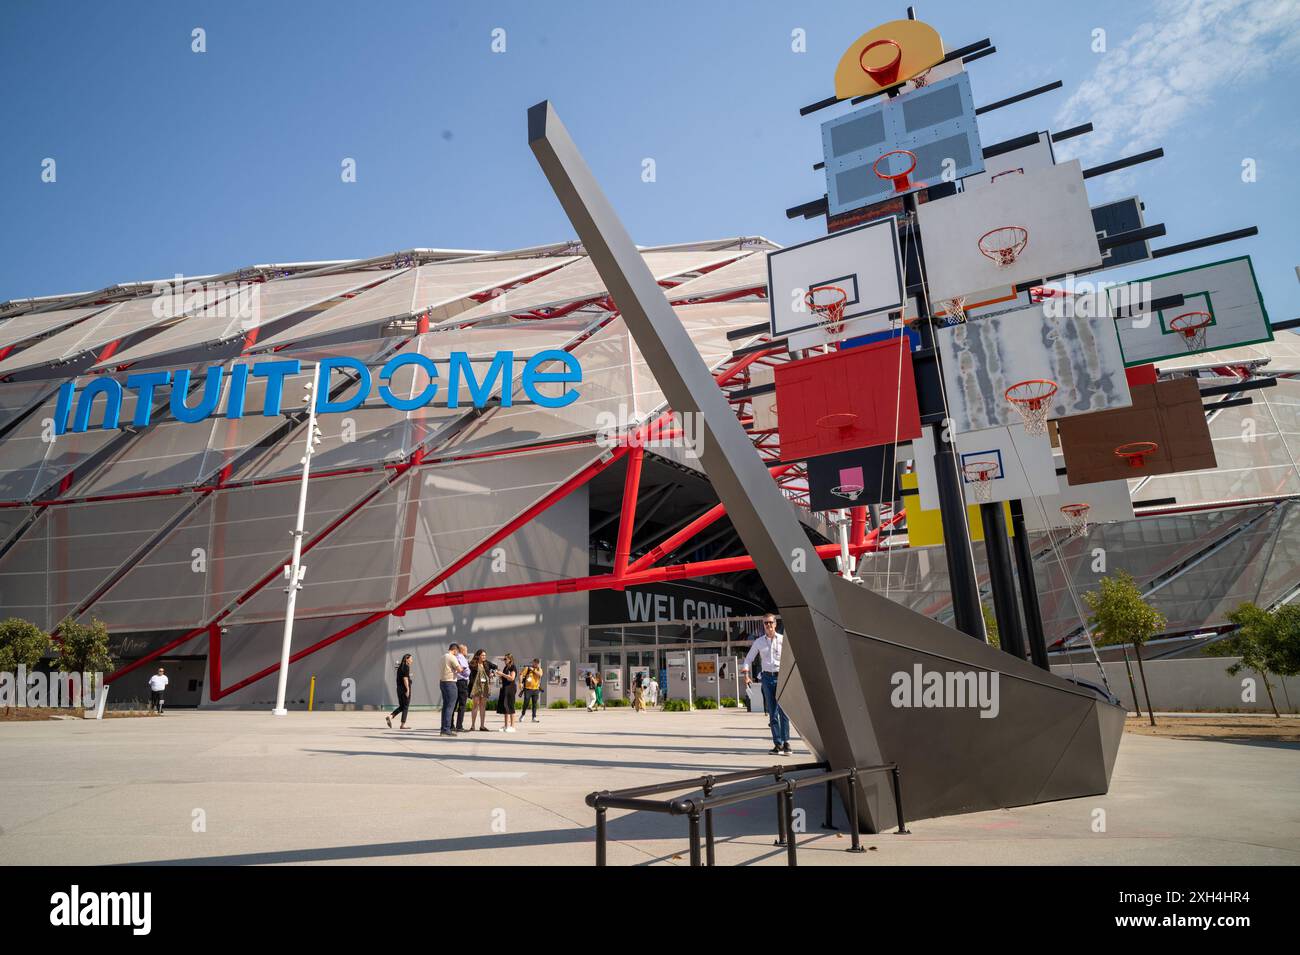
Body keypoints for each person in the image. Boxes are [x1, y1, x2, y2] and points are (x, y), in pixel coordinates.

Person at [744, 614, 790, 755]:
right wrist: (746, 675)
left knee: (784, 712)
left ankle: (786, 742)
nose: (768, 625)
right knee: (772, 711)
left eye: (770, 622)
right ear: (763, 625)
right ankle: (778, 744)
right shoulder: (759, 642)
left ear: (775, 624)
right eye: (765, 623)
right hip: (767, 678)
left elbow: (792, 657)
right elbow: (748, 658)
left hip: (781, 676)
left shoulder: (783, 640)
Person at [467, 650, 497, 731]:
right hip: (476, 686)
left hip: (485, 686)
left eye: (485, 655)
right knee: (475, 705)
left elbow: (496, 667)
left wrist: (493, 674)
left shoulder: (487, 663)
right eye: (483, 655)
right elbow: (468, 670)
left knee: (483, 706)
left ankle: (482, 726)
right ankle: (473, 726)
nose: (484, 657)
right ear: (478, 656)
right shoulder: (473, 663)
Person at [439, 642, 460, 737]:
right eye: (457, 651)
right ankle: (447, 729)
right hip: (450, 683)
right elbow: (459, 669)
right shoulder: (452, 657)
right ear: (454, 650)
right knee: (450, 706)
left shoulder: (443, 657)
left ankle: (443, 728)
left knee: (445, 706)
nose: (457, 653)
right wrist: (462, 668)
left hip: (443, 682)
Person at [387, 654, 414, 729]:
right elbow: (405, 679)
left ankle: (390, 716)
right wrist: (407, 689)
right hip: (404, 689)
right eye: (411, 659)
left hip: (399, 689)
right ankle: (402, 725)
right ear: (406, 659)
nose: (412, 660)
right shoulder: (406, 667)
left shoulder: (400, 668)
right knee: (406, 706)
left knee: (402, 706)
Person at [497, 653, 518, 733]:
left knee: (510, 706)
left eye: (506, 659)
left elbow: (512, 678)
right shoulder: (506, 667)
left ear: (510, 659)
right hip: (505, 688)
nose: (504, 660)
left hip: (511, 688)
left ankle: (513, 726)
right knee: (505, 706)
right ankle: (506, 725)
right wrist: (500, 675)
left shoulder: (513, 667)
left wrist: (502, 674)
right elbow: (505, 677)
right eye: (504, 659)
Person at [453, 643, 470, 731]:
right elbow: (465, 670)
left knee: (454, 704)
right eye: (466, 650)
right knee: (462, 704)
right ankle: (459, 726)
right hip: (462, 682)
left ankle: (451, 725)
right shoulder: (461, 657)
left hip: (456, 681)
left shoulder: (455, 657)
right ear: (462, 650)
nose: (467, 651)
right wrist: (467, 672)